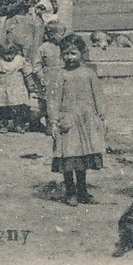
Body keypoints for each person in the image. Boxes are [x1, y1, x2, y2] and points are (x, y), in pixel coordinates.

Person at [50, 34, 105, 205]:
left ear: (81, 52)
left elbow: (98, 96)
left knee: (82, 158)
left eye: (73, 53)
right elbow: (53, 99)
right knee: (68, 157)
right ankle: (70, 192)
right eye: (66, 54)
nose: (69, 57)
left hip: (86, 120)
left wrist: (102, 117)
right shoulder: (60, 75)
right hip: (68, 121)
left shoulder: (89, 74)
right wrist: (53, 121)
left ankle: (82, 191)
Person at [29, 19, 70, 132]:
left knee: (61, 100)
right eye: (61, 34)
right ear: (51, 35)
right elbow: (36, 65)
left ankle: (58, 123)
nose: (63, 36)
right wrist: (41, 76)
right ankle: (46, 124)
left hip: (61, 76)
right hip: (48, 78)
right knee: (48, 101)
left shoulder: (65, 46)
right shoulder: (43, 48)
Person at [0, 41, 34, 132]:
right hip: (4, 88)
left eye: (11, 54)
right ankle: (4, 124)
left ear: (15, 52)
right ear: (1, 53)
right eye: (5, 54)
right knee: (4, 108)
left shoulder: (20, 61)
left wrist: (30, 84)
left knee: (18, 108)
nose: (8, 57)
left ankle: (18, 124)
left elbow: (27, 74)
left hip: (17, 88)